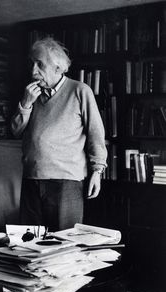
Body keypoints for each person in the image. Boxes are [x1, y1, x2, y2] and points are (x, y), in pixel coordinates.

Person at [10, 37, 107, 232]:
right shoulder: (32, 94)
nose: (33, 71)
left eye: (40, 65)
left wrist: (97, 171)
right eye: (32, 64)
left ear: (58, 68)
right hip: (31, 178)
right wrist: (26, 104)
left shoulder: (80, 91)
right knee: (28, 245)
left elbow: (96, 134)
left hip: (66, 181)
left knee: (63, 244)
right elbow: (15, 132)